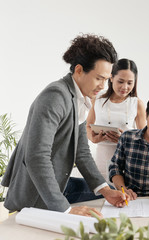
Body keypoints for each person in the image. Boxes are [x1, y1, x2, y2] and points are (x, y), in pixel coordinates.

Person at [1, 34, 129, 217]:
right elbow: (37, 157)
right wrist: (66, 210)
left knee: (106, 190)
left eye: (107, 79)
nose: (103, 85)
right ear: (79, 70)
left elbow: (82, 152)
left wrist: (107, 192)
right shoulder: (55, 97)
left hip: (60, 180)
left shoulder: (81, 99)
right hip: (34, 194)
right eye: (99, 78)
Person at [86, 58, 146, 182]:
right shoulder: (97, 99)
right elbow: (87, 126)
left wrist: (126, 140)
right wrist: (93, 138)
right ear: (111, 78)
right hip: (102, 155)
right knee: (101, 194)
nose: (125, 87)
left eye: (130, 83)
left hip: (127, 159)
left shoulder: (137, 103)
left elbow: (145, 139)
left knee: (124, 195)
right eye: (120, 81)